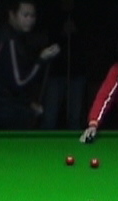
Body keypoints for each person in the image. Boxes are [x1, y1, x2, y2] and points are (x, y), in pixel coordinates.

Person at [0, 1, 61, 129]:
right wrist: (41, 60)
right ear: (12, 15)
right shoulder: (9, 40)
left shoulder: (12, 36)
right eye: (25, 15)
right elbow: (18, 82)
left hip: (4, 108)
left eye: (32, 16)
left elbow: (10, 82)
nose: (29, 20)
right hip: (5, 113)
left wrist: (28, 103)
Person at [40, 0, 88, 130]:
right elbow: (48, 39)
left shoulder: (82, 14)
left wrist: (76, 30)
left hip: (77, 71)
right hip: (56, 71)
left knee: (75, 117)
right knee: (49, 116)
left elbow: (88, 40)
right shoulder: (53, 14)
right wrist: (62, 32)